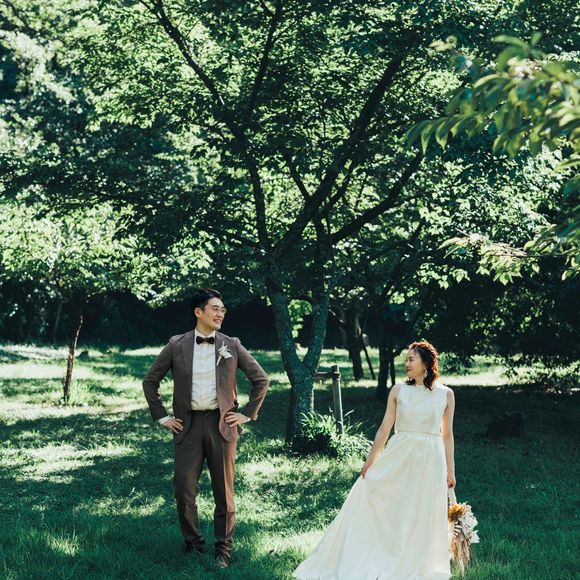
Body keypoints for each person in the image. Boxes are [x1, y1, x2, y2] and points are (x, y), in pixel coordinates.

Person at [293, 340, 455, 580]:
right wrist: (370, 461)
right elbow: (384, 429)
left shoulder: (446, 395)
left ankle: (418, 560)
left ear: (426, 363)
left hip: (431, 458)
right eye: (406, 359)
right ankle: (381, 552)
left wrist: (450, 471)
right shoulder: (398, 391)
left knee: (423, 509)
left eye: (411, 359)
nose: (407, 364)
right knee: (393, 504)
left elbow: (447, 435)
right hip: (400, 454)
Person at [142, 288, 269, 569]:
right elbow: (150, 381)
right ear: (198, 312)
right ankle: (193, 545)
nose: (220, 314)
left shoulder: (231, 344)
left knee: (223, 491)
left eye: (223, 310)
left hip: (221, 426)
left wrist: (247, 414)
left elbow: (261, 380)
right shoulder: (176, 345)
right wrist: (162, 417)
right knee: (183, 489)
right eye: (215, 309)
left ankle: (223, 550)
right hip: (187, 426)